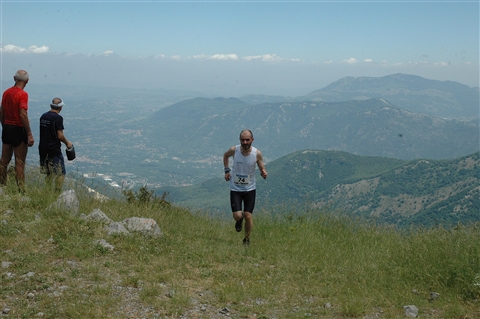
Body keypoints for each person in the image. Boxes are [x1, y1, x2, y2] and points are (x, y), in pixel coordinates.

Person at [223, 129, 268, 246]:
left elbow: (261, 164)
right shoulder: (234, 150)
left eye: (247, 140)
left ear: (252, 140)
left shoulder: (256, 153)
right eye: (243, 140)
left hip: (250, 189)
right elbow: (225, 155)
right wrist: (227, 170)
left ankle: (247, 239)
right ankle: (239, 219)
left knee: (248, 215)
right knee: (238, 215)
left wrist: (263, 172)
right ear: (240, 140)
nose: (245, 142)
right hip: (235, 188)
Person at [0, 70, 35, 192]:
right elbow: (22, 114)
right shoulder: (22, 94)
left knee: (4, 160)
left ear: (14, 78)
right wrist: (29, 134)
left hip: (7, 128)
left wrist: (4, 126)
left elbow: (2, 111)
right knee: (19, 163)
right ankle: (21, 191)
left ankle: (2, 187)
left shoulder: (6, 93)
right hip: (18, 129)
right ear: (27, 81)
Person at [38, 97, 73, 191]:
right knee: (61, 173)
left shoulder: (43, 116)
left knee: (49, 172)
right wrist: (67, 143)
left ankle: (47, 191)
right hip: (53, 149)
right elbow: (60, 135)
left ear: (51, 105)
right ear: (61, 107)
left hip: (42, 147)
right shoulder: (58, 118)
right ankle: (57, 192)